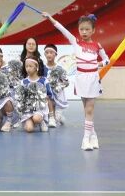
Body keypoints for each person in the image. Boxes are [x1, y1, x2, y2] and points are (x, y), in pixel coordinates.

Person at [46, 12, 111, 150]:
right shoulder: (75, 42)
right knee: (86, 110)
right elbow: (62, 29)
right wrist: (50, 18)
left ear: (93, 30)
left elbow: (107, 60)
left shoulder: (97, 45)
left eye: (87, 29)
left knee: (90, 109)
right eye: (81, 29)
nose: (84, 32)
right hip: (81, 79)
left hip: (93, 79)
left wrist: (99, 64)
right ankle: (93, 136)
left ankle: (85, 139)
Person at [43, 44, 69, 127]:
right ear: (44, 54)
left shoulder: (60, 68)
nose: (49, 55)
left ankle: (59, 117)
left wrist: (56, 87)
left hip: (58, 95)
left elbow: (66, 82)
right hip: (47, 96)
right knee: (49, 119)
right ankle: (51, 116)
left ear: (55, 54)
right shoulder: (42, 68)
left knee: (56, 118)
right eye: (47, 52)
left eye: (51, 52)